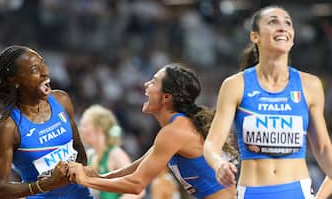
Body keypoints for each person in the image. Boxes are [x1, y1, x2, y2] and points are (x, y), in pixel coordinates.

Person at [203, 5, 332, 199]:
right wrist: (218, 163)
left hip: (297, 191)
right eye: (273, 22)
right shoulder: (235, 85)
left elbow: (322, 149)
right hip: (252, 192)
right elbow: (212, 145)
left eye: (287, 23)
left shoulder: (310, 85)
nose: (283, 27)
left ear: (292, 37)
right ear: (255, 37)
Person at [67, 64, 237, 199]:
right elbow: (135, 168)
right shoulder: (176, 127)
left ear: (166, 97)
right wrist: (100, 177)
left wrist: (87, 181)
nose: (146, 85)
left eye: (153, 82)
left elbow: (136, 184)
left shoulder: (175, 131)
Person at [0, 45, 93, 198]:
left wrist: (81, 171)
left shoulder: (62, 100)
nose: (45, 73)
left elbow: (79, 152)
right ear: (14, 81)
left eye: (43, 63)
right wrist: (45, 185)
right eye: (35, 70)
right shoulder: (8, 126)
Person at [79, 104, 144, 199]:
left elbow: (139, 189)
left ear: (99, 129)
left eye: (84, 125)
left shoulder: (115, 154)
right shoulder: (89, 155)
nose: (81, 129)